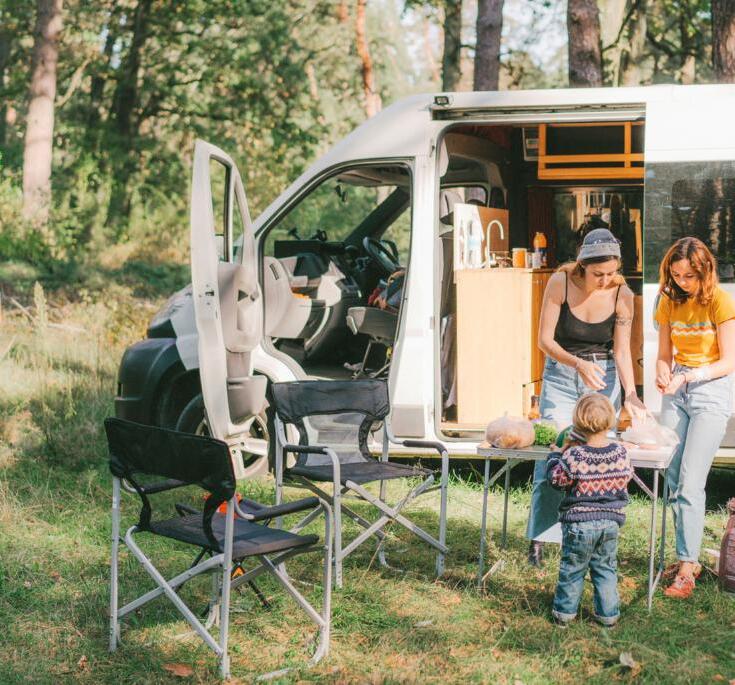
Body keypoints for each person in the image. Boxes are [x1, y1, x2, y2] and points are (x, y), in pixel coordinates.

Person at [526, 228, 646, 567]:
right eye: (598, 274)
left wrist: (631, 394)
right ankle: (539, 539)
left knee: (598, 462)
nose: (606, 280)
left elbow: (622, 352)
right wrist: (577, 364)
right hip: (562, 376)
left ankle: (593, 540)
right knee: (553, 456)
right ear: (583, 266)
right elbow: (544, 340)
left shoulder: (622, 294)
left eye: (611, 273)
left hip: (602, 378)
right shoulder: (561, 283)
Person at [654, 237, 735, 599]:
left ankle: (687, 567)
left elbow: (729, 361)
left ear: (705, 272)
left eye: (689, 276)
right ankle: (688, 557)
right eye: (676, 275)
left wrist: (689, 376)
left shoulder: (720, 301)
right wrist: (662, 372)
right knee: (673, 475)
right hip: (678, 389)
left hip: (710, 390)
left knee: (690, 480)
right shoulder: (668, 300)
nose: (683, 282)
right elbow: (664, 354)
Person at [547, 393, 633, 627]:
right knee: (605, 569)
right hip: (610, 522)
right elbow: (627, 476)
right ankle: (608, 616)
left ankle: (564, 615)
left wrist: (556, 455)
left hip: (579, 523)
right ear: (610, 421)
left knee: (573, 569)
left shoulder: (575, 455)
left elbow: (556, 480)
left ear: (578, 422)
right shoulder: (621, 452)